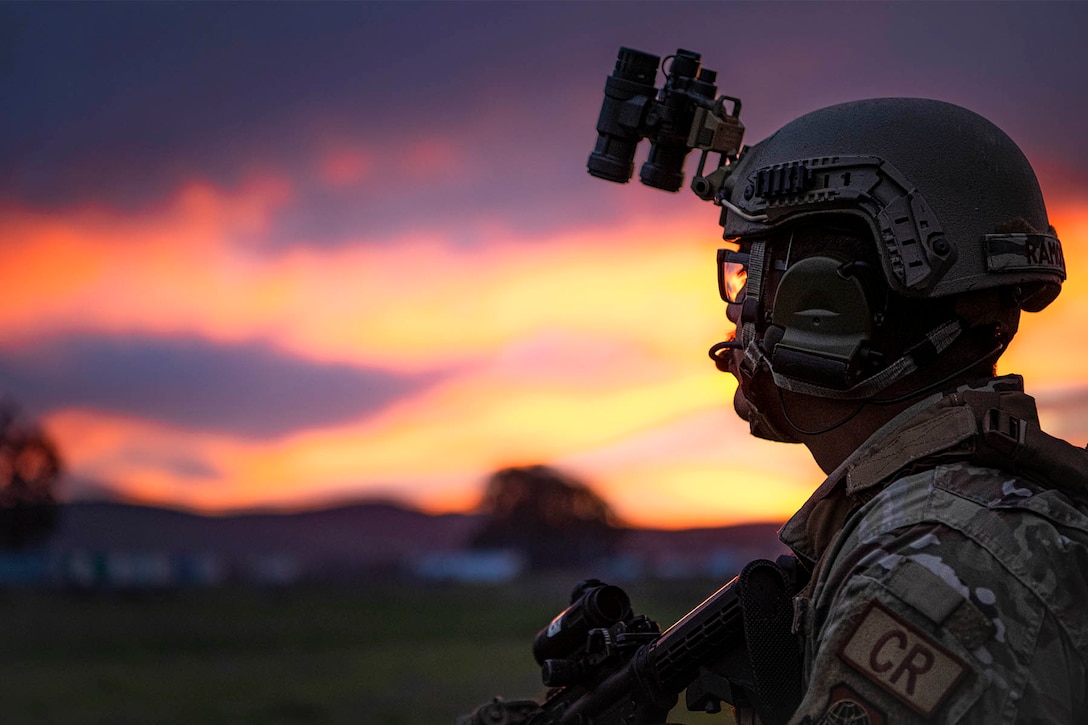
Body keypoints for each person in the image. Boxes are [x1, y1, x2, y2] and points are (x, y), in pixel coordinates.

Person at [708, 98, 1088, 723]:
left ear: (824, 301)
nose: (739, 308)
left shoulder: (927, 567)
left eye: (755, 272)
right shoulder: (999, 507)